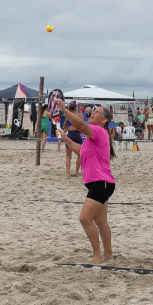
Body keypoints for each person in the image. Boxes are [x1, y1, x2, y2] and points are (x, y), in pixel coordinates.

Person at [54, 99, 116, 265]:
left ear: (104, 120)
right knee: (101, 221)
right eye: (93, 111)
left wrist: (64, 110)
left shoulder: (99, 131)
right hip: (103, 183)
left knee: (84, 218)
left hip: (100, 183)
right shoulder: (93, 136)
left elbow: (80, 125)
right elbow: (80, 150)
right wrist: (65, 137)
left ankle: (97, 255)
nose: (93, 113)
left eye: (96, 112)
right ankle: (108, 254)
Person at [64, 102, 83, 177]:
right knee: (80, 155)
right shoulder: (79, 115)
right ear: (75, 107)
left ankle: (68, 174)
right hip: (77, 134)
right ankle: (76, 172)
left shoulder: (67, 115)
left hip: (70, 134)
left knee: (68, 156)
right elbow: (82, 127)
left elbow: (65, 126)